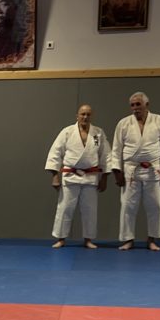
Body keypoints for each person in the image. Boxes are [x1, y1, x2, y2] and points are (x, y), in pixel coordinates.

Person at [111, 91, 160, 251]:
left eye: (138, 104)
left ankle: (152, 239)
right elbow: (116, 149)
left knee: (155, 205)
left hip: (153, 170)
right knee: (127, 206)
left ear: (147, 105)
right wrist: (117, 172)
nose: (135, 108)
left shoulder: (159, 120)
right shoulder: (124, 123)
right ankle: (128, 239)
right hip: (130, 170)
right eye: (132, 105)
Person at [45, 104, 111, 249]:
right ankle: (61, 238)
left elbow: (106, 156)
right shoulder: (67, 132)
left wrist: (104, 178)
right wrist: (55, 176)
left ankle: (88, 239)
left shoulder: (98, 133)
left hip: (91, 177)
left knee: (90, 210)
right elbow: (55, 153)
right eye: (82, 114)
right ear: (77, 116)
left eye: (88, 114)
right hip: (70, 175)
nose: (85, 117)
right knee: (65, 208)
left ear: (91, 116)